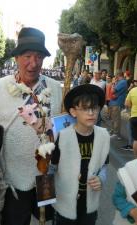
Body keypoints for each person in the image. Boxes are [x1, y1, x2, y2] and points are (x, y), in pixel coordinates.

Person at [0, 27, 62, 225]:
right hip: (12, 176)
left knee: (46, 221)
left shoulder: (55, 88)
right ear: (17, 58)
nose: (33, 63)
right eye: (28, 56)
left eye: (39, 57)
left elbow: (63, 128)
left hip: (46, 175)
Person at [50, 84, 110, 225]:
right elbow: (52, 167)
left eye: (94, 108)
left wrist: (101, 179)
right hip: (65, 202)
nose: (91, 113)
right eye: (84, 108)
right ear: (73, 112)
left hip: (89, 204)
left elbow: (104, 166)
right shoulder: (63, 136)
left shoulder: (104, 136)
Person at [109, 71, 128, 140]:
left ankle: (116, 134)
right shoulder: (119, 82)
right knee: (113, 118)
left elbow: (113, 91)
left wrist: (113, 83)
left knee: (116, 119)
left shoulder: (123, 82)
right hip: (113, 102)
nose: (115, 77)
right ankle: (113, 131)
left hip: (117, 103)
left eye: (116, 75)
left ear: (118, 75)